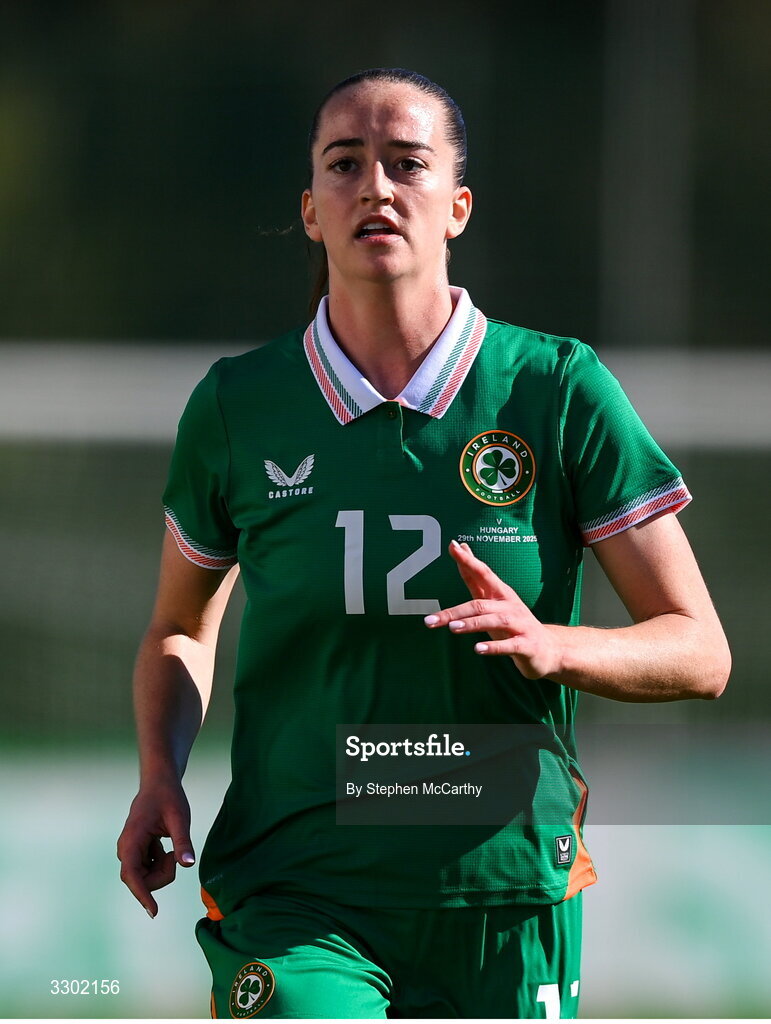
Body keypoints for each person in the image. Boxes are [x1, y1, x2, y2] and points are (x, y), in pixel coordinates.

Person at [117, 67, 731, 1019]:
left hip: (499, 885)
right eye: (344, 164)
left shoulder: (555, 389)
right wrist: (161, 771)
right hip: (297, 881)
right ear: (312, 212)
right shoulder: (240, 407)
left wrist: (557, 645)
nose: (376, 186)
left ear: (457, 207)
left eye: (407, 163)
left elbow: (699, 648)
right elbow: (178, 629)